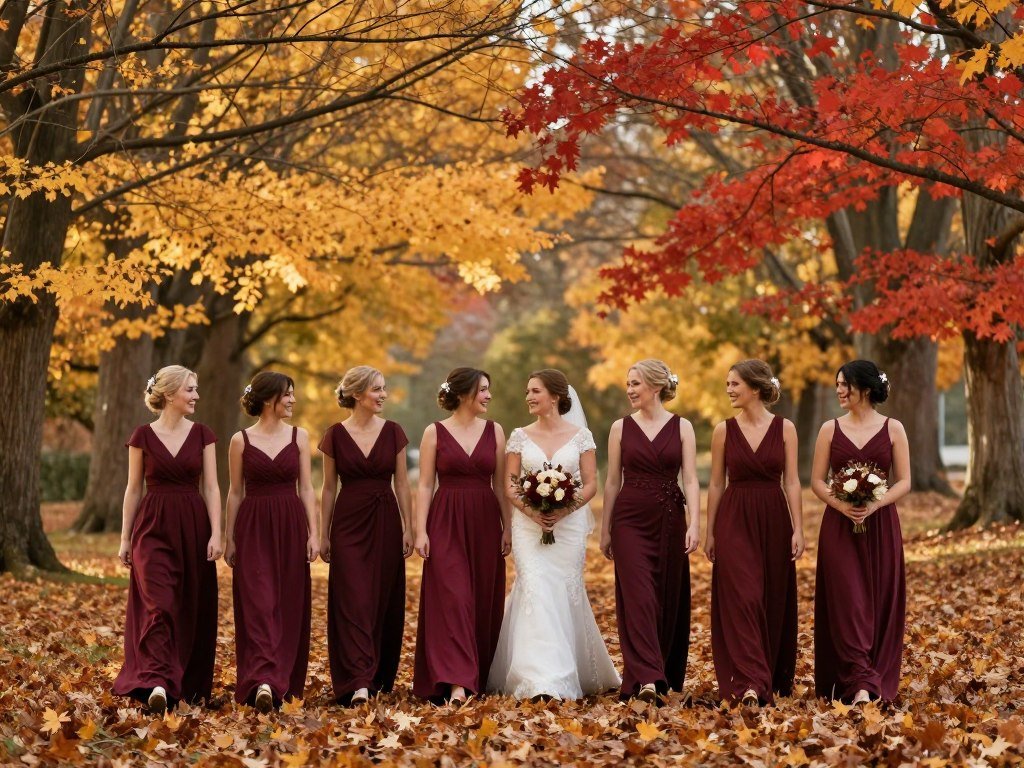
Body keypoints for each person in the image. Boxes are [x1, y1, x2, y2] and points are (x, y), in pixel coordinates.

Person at [487, 370, 620, 699]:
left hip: (569, 526)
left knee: (562, 589)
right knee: (535, 587)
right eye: (527, 391)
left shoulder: (581, 437)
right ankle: (541, 678)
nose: (528, 397)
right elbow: (509, 484)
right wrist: (533, 512)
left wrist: (564, 509)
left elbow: (590, 483)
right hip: (528, 526)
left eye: (535, 391)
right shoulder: (518, 436)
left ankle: (566, 669)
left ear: (556, 396)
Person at [114, 365, 221, 714]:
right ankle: (157, 681)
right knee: (159, 603)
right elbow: (133, 489)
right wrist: (125, 538)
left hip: (192, 526)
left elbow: (212, 487)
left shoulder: (203, 434)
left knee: (187, 603)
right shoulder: (142, 436)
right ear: (171, 394)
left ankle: (182, 679)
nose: (196, 396)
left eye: (196, 389)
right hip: (152, 526)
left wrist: (217, 532)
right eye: (190, 390)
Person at [704, 360, 803, 706]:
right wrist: (710, 531)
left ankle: (767, 674)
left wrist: (799, 528)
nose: (729, 389)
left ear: (756, 388)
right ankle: (749, 683)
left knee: (769, 598)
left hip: (774, 518)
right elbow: (716, 483)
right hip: (734, 518)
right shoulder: (723, 430)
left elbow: (791, 481)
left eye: (734, 384)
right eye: (727, 384)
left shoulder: (786, 428)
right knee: (744, 597)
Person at [601, 359, 700, 702]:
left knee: (664, 596)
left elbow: (690, 479)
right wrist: (605, 529)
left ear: (656, 387)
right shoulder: (619, 428)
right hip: (628, 520)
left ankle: (662, 671)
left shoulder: (682, 426)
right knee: (640, 597)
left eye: (635, 384)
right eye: (628, 384)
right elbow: (612, 481)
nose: (629, 390)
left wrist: (696, 524)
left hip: (671, 518)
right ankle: (647, 678)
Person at [811, 360, 910, 704]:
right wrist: (842, 506)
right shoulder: (829, 429)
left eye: (844, 385)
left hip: (881, 527)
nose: (839, 390)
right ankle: (860, 682)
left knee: (878, 602)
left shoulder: (894, 428)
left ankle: (873, 677)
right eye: (837, 384)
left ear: (864, 389)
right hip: (839, 528)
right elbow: (816, 481)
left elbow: (905, 481)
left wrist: (875, 505)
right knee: (848, 603)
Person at [412, 367, 510, 703]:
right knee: (453, 599)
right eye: (483, 390)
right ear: (466, 393)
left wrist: (507, 526)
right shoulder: (434, 432)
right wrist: (420, 529)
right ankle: (457, 682)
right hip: (445, 521)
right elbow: (425, 485)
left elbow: (501, 486)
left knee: (479, 599)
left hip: (484, 522)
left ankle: (473, 674)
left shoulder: (496, 432)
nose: (488, 396)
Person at [320, 366, 413, 705]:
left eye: (384, 388)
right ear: (357, 394)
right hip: (347, 523)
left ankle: (374, 674)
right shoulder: (334, 435)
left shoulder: (394, 432)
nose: (383, 395)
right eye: (376, 389)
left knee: (379, 598)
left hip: (386, 519)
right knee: (354, 599)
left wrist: (409, 526)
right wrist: (324, 534)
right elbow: (329, 488)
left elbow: (402, 483)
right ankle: (357, 680)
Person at [224, 371, 317, 712]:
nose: (293, 400)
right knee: (259, 603)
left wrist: (314, 532)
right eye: (287, 394)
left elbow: (306, 487)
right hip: (253, 527)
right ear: (268, 399)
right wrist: (228, 537)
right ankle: (263, 679)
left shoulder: (300, 437)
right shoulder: (240, 441)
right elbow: (235, 492)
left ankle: (281, 678)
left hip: (291, 523)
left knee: (287, 603)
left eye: (293, 394)